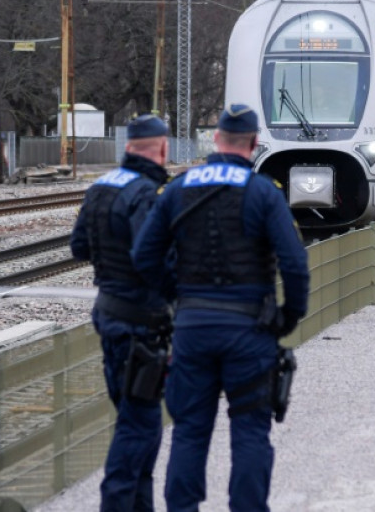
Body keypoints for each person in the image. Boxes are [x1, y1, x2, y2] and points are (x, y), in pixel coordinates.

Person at [132, 104, 310, 511]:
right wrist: (287, 317)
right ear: (254, 143)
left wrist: (178, 298)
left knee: (189, 431)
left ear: (215, 139)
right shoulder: (263, 191)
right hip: (249, 331)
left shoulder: (178, 188)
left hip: (192, 330)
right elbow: (294, 263)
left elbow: (144, 256)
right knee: (250, 431)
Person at [70, 113, 173, 512]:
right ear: (162, 148)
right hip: (139, 326)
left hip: (110, 316)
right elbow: (152, 259)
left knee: (138, 421)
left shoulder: (101, 186)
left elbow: (79, 247)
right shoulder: (146, 194)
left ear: (128, 147)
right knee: (139, 427)